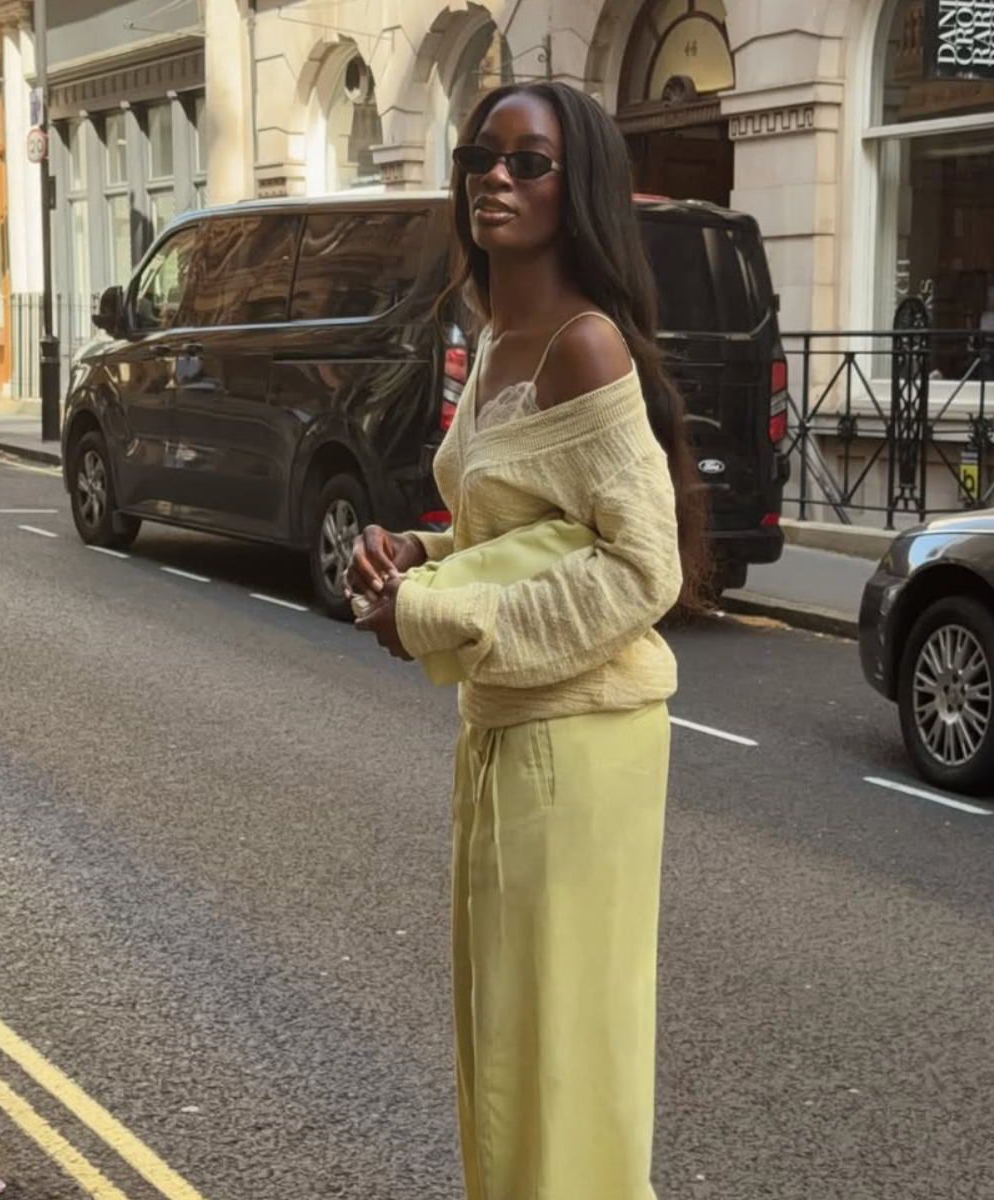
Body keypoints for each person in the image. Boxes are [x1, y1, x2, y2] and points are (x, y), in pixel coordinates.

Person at [346, 80, 709, 1200]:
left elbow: (646, 565)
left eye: (529, 161)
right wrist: (421, 550)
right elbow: (520, 525)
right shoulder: (502, 334)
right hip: (511, 721)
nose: (494, 177)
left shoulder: (585, 346)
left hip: (580, 738)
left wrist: (444, 613)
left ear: (577, 185)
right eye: (480, 155)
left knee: (561, 1054)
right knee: (507, 1042)